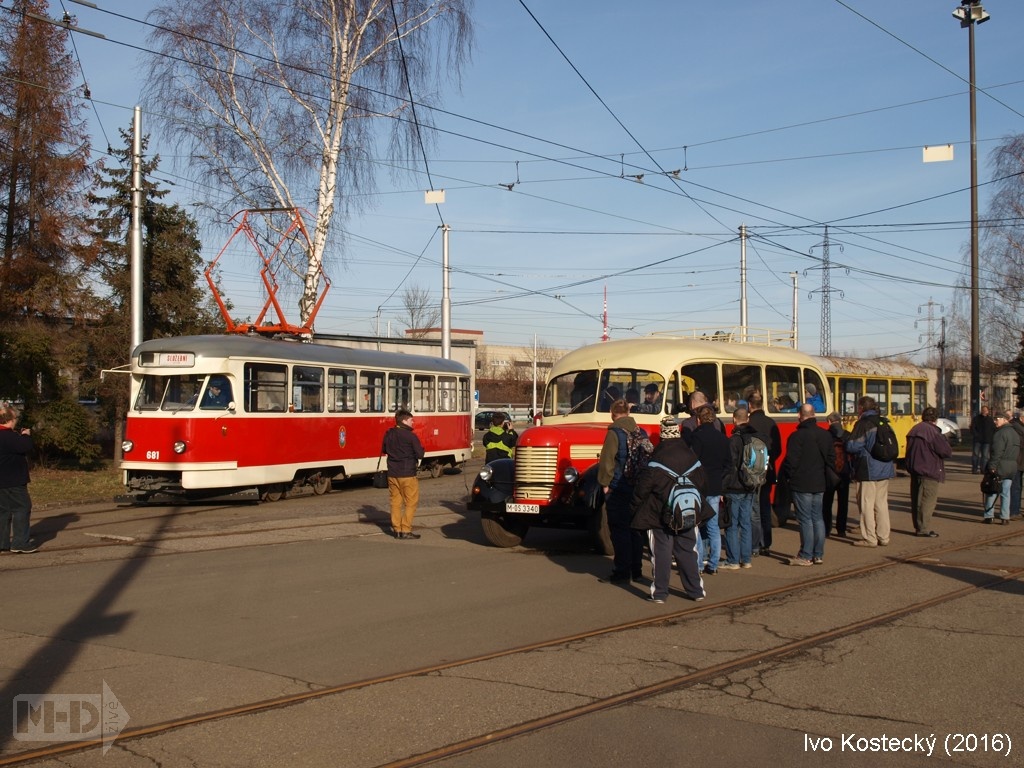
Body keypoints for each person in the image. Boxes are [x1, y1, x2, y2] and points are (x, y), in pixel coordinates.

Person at [629, 426, 709, 603]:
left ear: (663, 436)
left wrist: (634, 509)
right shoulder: (691, 456)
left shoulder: (656, 459)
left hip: (658, 515)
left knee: (661, 553)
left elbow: (642, 489)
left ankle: (659, 593)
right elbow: (703, 482)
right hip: (687, 512)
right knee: (688, 551)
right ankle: (696, 591)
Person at [596, 399, 648, 583]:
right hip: (638, 487)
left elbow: (607, 461)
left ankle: (621, 572)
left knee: (619, 530)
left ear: (612, 413)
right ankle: (637, 570)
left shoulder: (614, 433)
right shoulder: (641, 431)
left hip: (619, 487)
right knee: (635, 530)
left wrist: (605, 484)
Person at [781, 404, 834, 566]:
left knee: (805, 520)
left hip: (801, 482)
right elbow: (831, 459)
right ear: (813, 414)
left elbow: (791, 461)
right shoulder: (825, 435)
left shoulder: (797, 436)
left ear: (800, 415)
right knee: (817, 518)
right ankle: (818, 554)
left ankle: (805, 555)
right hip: (819, 482)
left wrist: (789, 477)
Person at [845, 396, 896, 547]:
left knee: (867, 504)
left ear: (861, 408)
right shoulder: (884, 422)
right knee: (881, 504)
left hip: (868, 469)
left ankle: (870, 538)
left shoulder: (863, 424)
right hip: (885, 468)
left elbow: (853, 446)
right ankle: (884, 537)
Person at [686, 405, 729, 575]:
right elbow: (728, 464)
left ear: (699, 420)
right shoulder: (722, 439)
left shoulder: (697, 437)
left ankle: (698, 564)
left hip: (699, 486)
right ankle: (713, 564)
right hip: (716, 486)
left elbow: (693, 462)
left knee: (696, 524)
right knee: (713, 526)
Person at [905, 406, 953, 537]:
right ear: (935, 419)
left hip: (915, 469)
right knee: (927, 501)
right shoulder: (933, 432)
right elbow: (946, 451)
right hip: (929, 470)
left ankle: (918, 526)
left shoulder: (914, 429)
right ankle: (923, 528)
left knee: (916, 500)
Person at [720, 407, 758, 570]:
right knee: (746, 523)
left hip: (734, 487)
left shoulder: (733, 440)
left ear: (734, 419)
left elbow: (729, 466)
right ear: (747, 419)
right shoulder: (755, 438)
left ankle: (733, 560)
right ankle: (746, 559)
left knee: (731, 525)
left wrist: (723, 488)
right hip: (750, 485)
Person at [382, 409, 425, 539]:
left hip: (392, 473)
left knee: (395, 502)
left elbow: (384, 450)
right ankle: (405, 529)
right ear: (405, 421)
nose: (413, 423)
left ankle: (397, 530)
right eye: (412, 420)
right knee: (411, 502)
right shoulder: (411, 436)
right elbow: (420, 454)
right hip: (407, 474)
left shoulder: (389, 434)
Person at [747, 393, 781, 555]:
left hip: (752, 472)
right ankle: (766, 542)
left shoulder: (749, 424)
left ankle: (755, 543)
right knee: (765, 507)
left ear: (750, 406)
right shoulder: (770, 422)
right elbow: (778, 449)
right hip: (768, 470)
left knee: (753, 508)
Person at [0, 406, 37, 554]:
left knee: (3, 512)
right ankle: (20, 542)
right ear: (10, 420)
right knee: (22, 508)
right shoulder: (10, 436)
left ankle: (2, 543)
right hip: (14, 480)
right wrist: (26, 435)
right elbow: (26, 446)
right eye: (15, 419)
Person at [983, 411, 1021, 525]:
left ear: (1005, 420)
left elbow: (996, 452)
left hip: (1000, 466)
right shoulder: (1015, 433)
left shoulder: (1000, 434)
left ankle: (989, 516)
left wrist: (992, 466)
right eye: (994, 419)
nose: (995, 421)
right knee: (1006, 492)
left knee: (992, 490)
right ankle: (1005, 517)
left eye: (997, 419)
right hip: (1012, 466)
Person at [822, 412, 852, 537]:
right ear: (840, 421)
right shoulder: (848, 435)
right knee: (843, 502)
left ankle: (826, 529)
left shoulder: (826, 436)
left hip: (830, 473)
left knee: (827, 502)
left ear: (829, 422)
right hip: (844, 472)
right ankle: (841, 529)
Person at [1007, 411, 1024, 519]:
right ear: (1022, 418)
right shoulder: (1016, 427)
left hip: (1020, 461)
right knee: (1016, 487)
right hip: (1017, 461)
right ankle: (1014, 511)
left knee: (1016, 487)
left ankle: (1014, 510)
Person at [970, 405, 995, 474]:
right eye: (983, 410)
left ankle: (983, 470)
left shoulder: (990, 419)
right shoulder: (976, 419)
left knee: (985, 456)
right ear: (981, 411)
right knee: (975, 455)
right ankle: (974, 469)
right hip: (977, 440)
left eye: (986, 410)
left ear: (987, 411)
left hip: (987, 441)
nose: (984, 411)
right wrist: (976, 435)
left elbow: (993, 429)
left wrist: (991, 437)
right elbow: (972, 428)